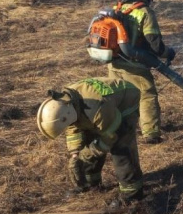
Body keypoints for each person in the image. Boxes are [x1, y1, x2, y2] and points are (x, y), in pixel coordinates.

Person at [36, 77, 145, 207]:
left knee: (121, 147)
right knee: (88, 141)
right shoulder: (65, 103)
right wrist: (76, 155)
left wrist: (89, 153)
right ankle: (90, 182)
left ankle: (132, 193)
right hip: (99, 108)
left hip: (126, 100)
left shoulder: (97, 108)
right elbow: (72, 128)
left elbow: (110, 137)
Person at [107, 0, 175, 145]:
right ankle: (151, 134)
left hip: (114, 61)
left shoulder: (119, 7)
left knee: (119, 96)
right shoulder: (145, 12)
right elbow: (156, 46)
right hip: (133, 64)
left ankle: (115, 128)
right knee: (147, 95)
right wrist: (169, 53)